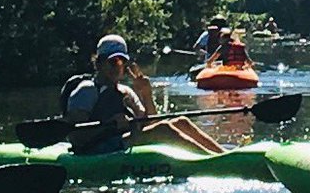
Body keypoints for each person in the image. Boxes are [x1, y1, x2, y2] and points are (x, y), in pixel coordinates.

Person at [66, 34, 221, 156]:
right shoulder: (87, 90)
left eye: (122, 62)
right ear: (98, 63)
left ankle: (223, 155)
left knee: (182, 121)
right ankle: (210, 161)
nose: (118, 67)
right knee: (164, 129)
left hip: (122, 141)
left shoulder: (125, 91)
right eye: (113, 62)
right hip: (97, 149)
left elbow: (150, 124)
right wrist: (108, 125)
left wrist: (146, 94)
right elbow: (75, 137)